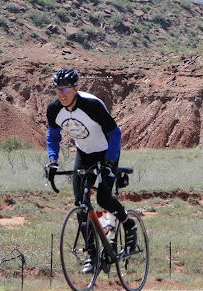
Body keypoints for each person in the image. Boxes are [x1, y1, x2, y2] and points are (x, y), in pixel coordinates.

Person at [46, 68, 137, 273]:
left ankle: (128, 224)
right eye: (58, 89)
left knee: (103, 199)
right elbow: (53, 137)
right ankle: (92, 254)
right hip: (84, 154)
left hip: (106, 151)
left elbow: (115, 133)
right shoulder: (54, 109)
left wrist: (109, 162)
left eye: (66, 89)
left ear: (76, 88)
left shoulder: (92, 105)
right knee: (81, 203)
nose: (61, 93)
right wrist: (53, 161)